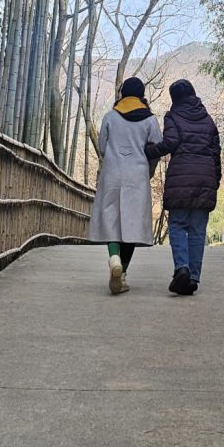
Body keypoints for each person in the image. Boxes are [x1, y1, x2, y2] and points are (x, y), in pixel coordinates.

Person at [146, 79, 221, 296]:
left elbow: (170, 142)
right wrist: (215, 180)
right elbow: (216, 153)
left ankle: (182, 268)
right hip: (205, 178)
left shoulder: (173, 116)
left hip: (181, 178)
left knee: (178, 224)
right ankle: (193, 278)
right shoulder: (207, 120)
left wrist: (148, 151)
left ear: (174, 98)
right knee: (197, 230)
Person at [87, 76, 162, 294]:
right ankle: (124, 272)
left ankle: (114, 258)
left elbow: (102, 147)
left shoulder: (110, 116)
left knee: (111, 220)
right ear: (141, 95)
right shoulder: (150, 120)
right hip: (137, 175)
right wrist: (149, 171)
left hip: (112, 173)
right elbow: (156, 149)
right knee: (132, 225)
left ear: (122, 94)